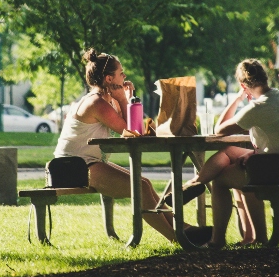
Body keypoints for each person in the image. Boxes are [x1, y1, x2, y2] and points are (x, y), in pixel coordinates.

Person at [53, 49, 211, 244]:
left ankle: (183, 229)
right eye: (121, 72)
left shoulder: (106, 101)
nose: (125, 76)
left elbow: (135, 127)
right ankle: (178, 239)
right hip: (70, 168)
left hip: (85, 163)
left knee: (144, 184)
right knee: (140, 188)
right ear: (109, 78)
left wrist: (125, 99)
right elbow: (132, 132)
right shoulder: (96, 103)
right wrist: (123, 99)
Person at [162, 59, 279, 247]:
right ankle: (196, 183)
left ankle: (218, 240)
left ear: (243, 85)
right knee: (229, 151)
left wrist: (238, 98)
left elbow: (219, 129)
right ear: (264, 77)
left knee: (221, 180)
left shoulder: (260, 107)